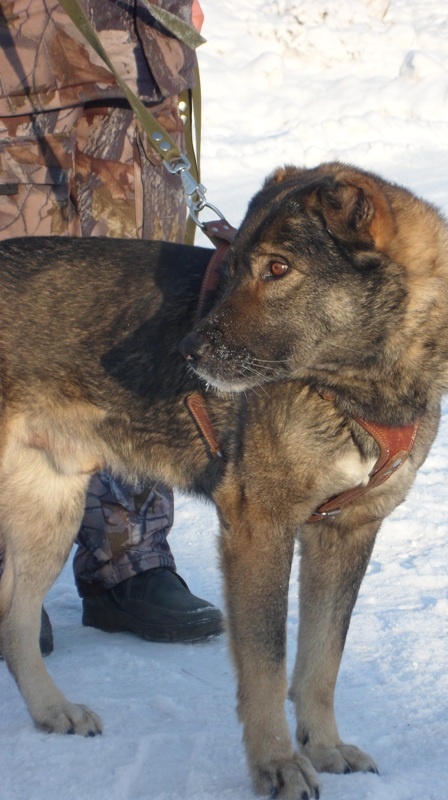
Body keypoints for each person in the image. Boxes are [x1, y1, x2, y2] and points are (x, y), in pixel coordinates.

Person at [0, 0, 223, 654]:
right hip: (20, 72)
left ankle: (130, 559)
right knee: (18, 322)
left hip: (139, 70)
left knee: (144, 318)